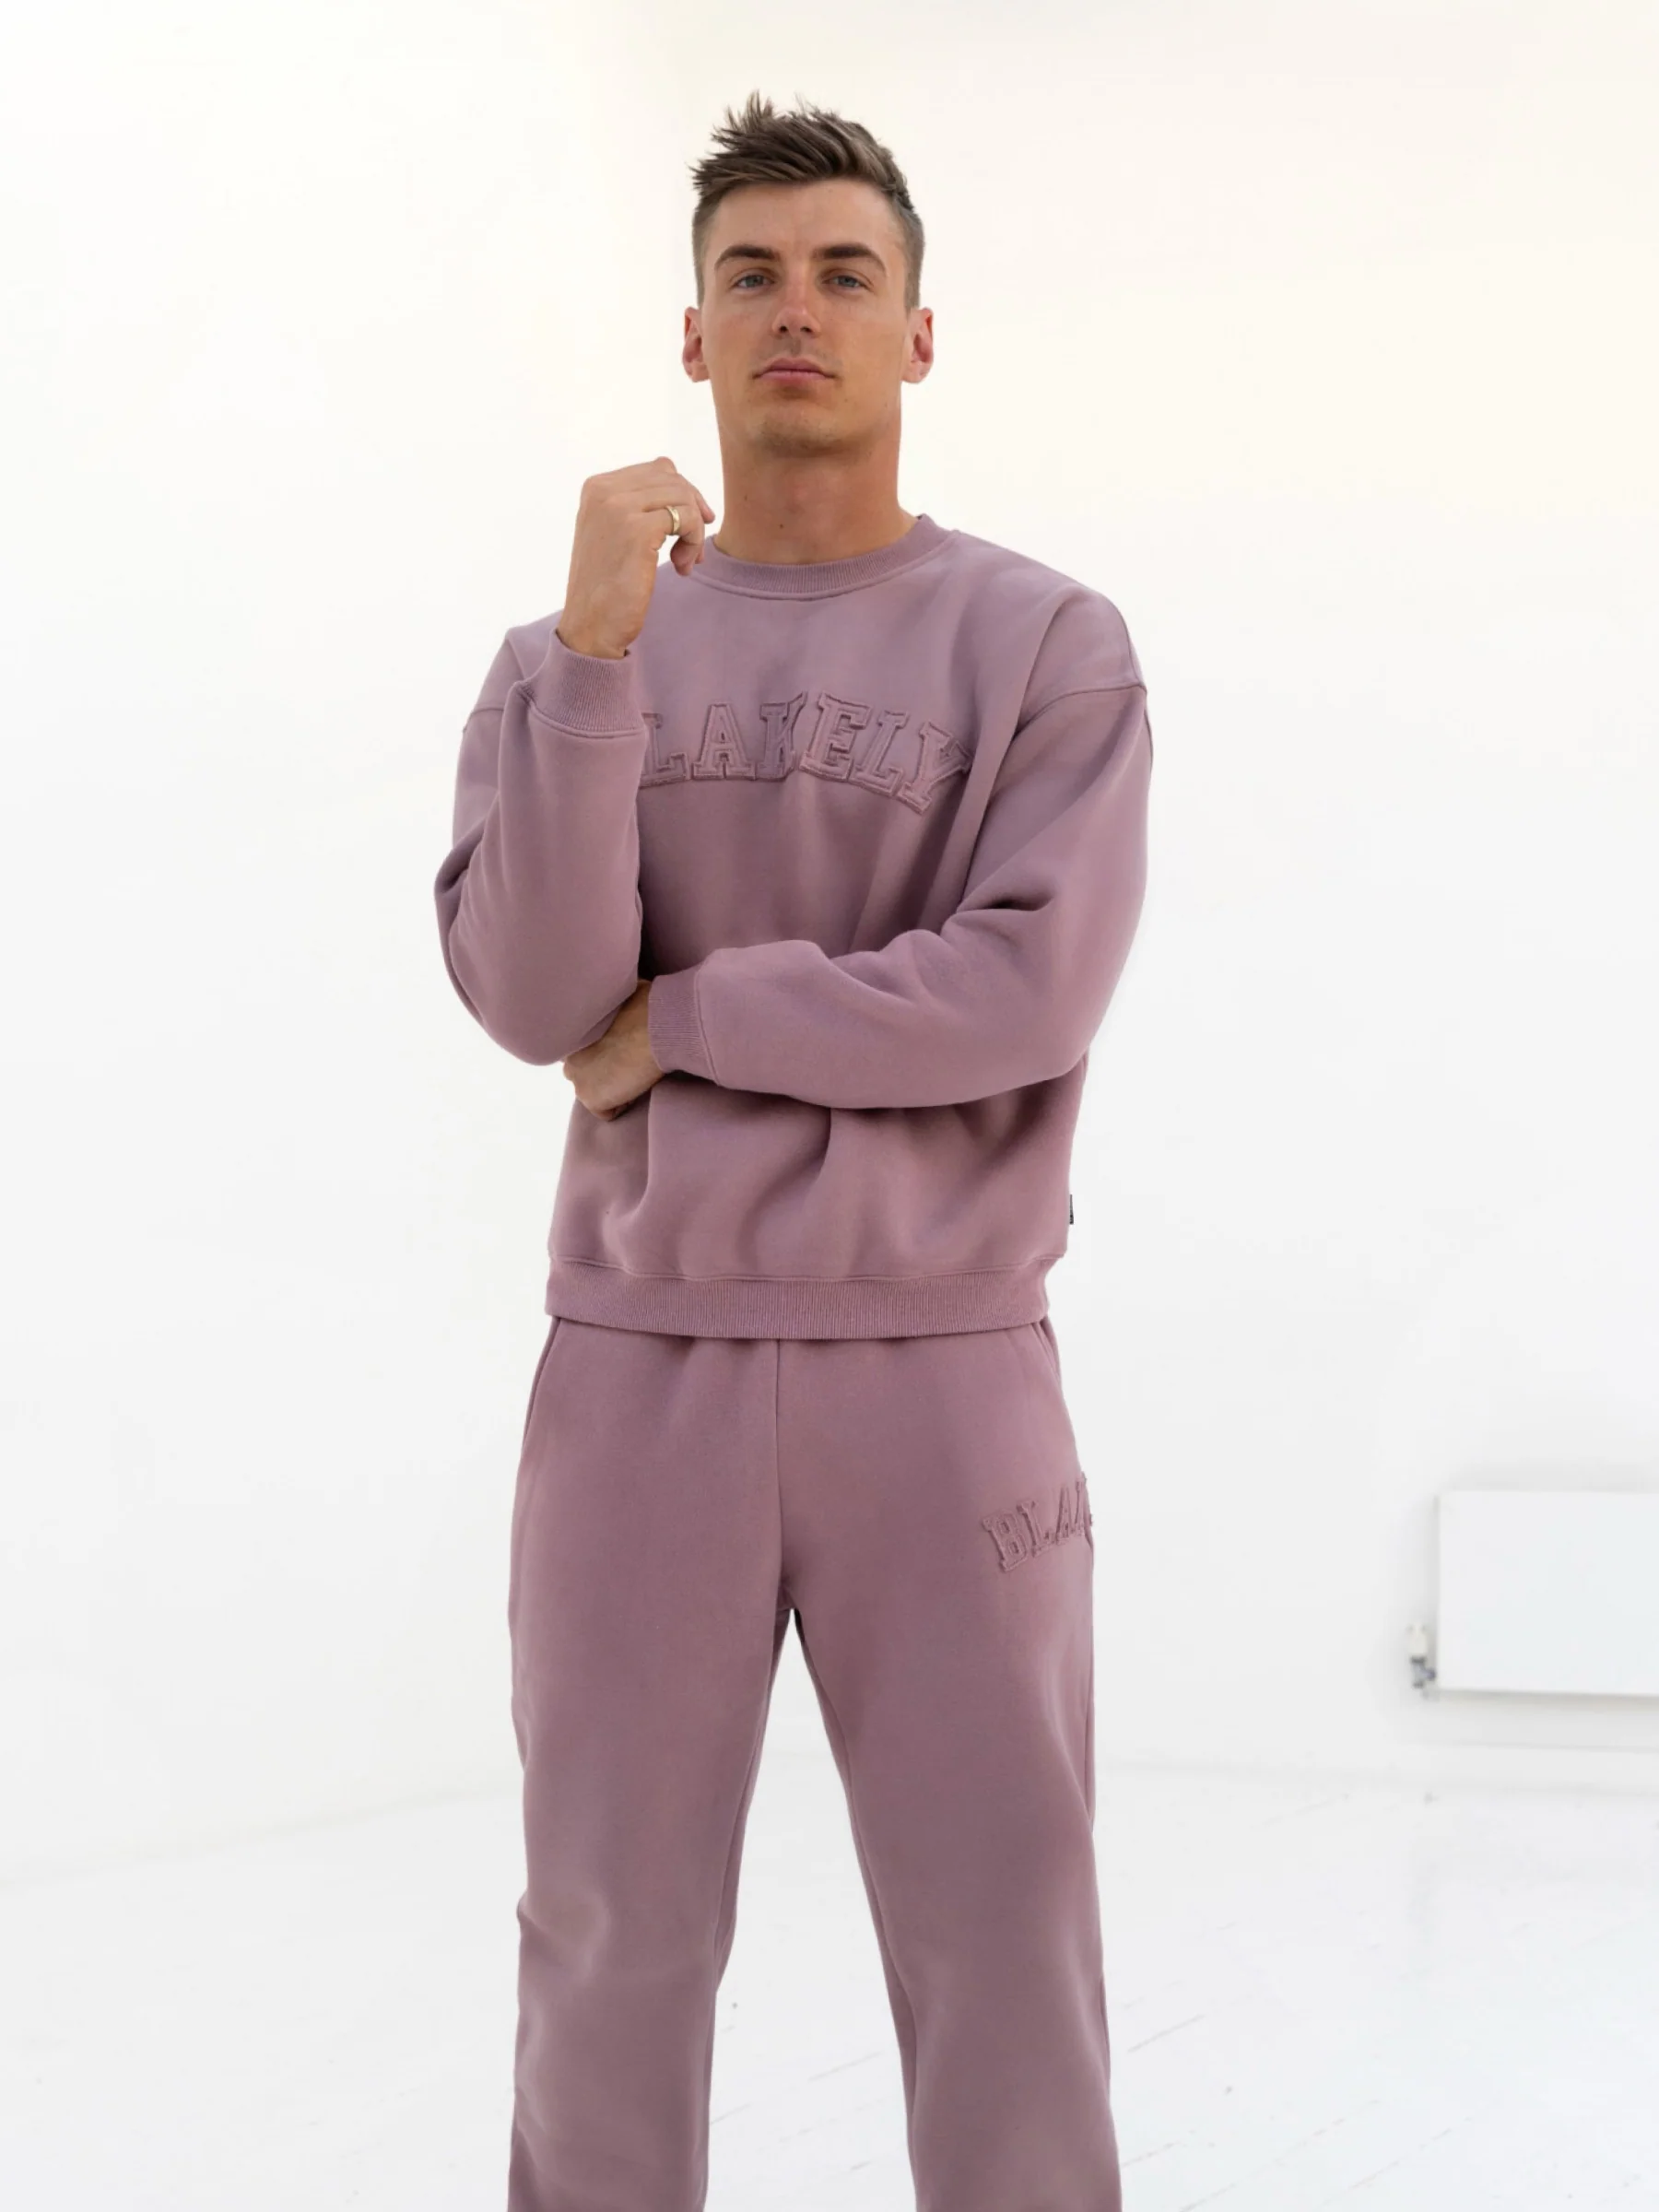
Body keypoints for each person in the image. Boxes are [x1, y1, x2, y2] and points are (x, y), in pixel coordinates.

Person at [433, 88, 1153, 2212]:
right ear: (693, 333)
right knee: (607, 1934)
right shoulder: (563, 657)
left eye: (847, 273)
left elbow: (1025, 990)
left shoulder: (1046, 646)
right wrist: (594, 658)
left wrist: (695, 1019)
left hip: (943, 1363)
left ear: (919, 332)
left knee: (1005, 1935)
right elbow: (535, 998)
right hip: (638, 1364)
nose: (797, 311)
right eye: (751, 276)